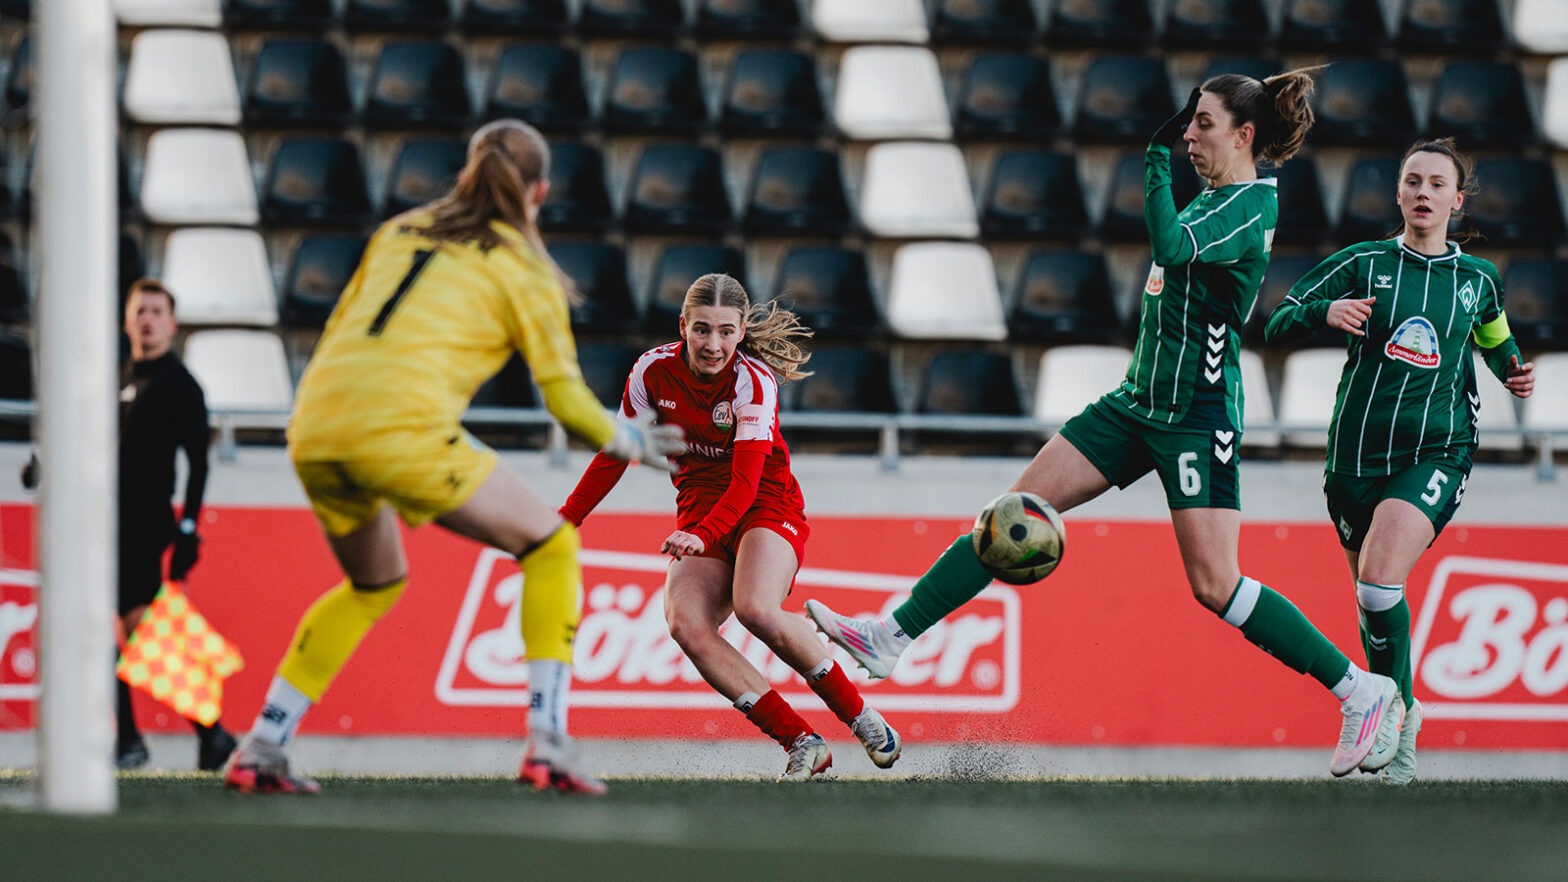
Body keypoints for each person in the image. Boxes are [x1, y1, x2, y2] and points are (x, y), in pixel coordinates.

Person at [806, 70, 1409, 778]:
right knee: (1011, 513)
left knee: (1216, 584)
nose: (1188, 135)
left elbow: (1171, 246)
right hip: (1135, 403)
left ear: (1244, 136)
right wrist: (1165, 162)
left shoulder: (1249, 205)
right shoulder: (1220, 196)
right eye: (1188, 124)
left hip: (1195, 415)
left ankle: (1361, 690)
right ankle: (890, 635)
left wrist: (1153, 161)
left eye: (1203, 124)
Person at [221, 119, 685, 796]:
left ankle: (263, 744)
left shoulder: (401, 229)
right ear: (538, 192)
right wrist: (631, 441)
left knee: (374, 583)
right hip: (399, 431)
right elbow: (565, 400)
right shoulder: (524, 268)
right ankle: (549, 742)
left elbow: (342, 325)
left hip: (316, 426)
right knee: (551, 546)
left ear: (468, 172)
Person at [1264, 137, 1535, 783]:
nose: (1423, 193)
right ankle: (1404, 712)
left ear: (1456, 199)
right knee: (1370, 597)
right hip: (1354, 457)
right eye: (1413, 181)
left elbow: (1494, 334)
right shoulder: (1362, 262)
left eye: (1437, 184)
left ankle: (1381, 710)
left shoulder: (1477, 279)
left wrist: (1510, 371)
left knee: (1382, 579)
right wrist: (1325, 311)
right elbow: (1277, 321)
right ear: (1398, 192)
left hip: (1438, 448)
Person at [558, 273, 901, 781]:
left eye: (724, 331)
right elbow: (616, 454)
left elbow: (744, 483)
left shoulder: (753, 381)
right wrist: (565, 521)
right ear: (683, 327)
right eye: (701, 330)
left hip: (765, 500)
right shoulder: (651, 371)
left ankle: (864, 720)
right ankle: (801, 742)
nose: (712, 344)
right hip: (699, 505)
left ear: (741, 331)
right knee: (686, 625)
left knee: (756, 608)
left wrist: (703, 533)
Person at [113, 278, 236, 772]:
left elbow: (199, 465)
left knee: (134, 628)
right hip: (110, 520)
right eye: (139, 310)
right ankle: (194, 734)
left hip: (144, 523)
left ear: (172, 322)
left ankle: (149, 737)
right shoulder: (122, 377)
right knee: (127, 628)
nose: (147, 318)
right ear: (127, 320)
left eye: (156, 311)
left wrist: (188, 530)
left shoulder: (180, 384)